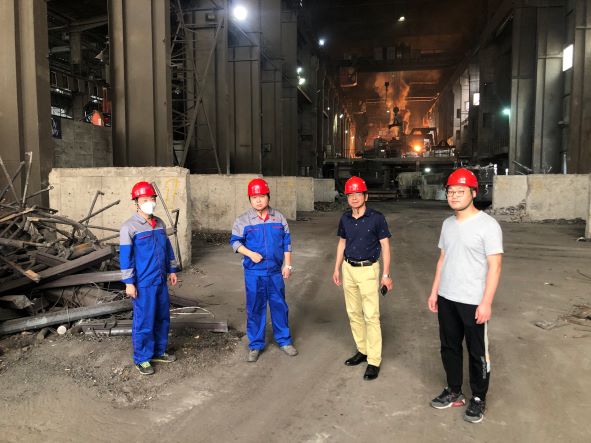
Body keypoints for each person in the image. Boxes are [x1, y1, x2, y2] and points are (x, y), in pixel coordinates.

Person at [427, 168, 503, 423]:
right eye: (451, 191)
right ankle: (454, 391)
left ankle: (479, 398)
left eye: (460, 191)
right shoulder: (447, 224)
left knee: (477, 352)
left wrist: (486, 302)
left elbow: (495, 266)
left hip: (473, 301)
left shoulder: (488, 225)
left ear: (473, 193)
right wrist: (435, 291)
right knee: (449, 347)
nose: (454, 196)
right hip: (447, 297)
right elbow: (442, 259)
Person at [230, 178, 297, 362]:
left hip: (275, 272)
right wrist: (250, 254)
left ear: (268, 197)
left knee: (279, 306)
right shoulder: (243, 220)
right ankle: (255, 345)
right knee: (255, 308)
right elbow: (235, 242)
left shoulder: (279, 218)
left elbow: (287, 242)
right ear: (250, 199)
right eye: (254, 197)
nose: (258, 200)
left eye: (261, 196)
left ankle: (284, 341)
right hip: (254, 273)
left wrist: (287, 264)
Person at [332, 176, 393, 381]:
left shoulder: (377, 218)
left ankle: (374, 360)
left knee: (371, 315)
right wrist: (337, 268)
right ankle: (363, 350)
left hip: (368, 270)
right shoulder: (345, 218)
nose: (354, 198)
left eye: (358, 194)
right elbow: (342, 243)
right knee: (353, 313)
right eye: (350, 195)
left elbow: (385, 246)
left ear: (365, 196)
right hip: (348, 268)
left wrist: (386, 274)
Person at [120, 181, 179, 375]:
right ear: (136, 202)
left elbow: (167, 248)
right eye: (144, 199)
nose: (149, 203)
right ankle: (142, 358)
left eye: (152, 199)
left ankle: (159, 351)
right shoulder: (129, 227)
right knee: (144, 320)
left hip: (160, 279)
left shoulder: (160, 223)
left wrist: (172, 270)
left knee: (162, 317)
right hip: (143, 283)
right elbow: (126, 257)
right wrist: (129, 283)